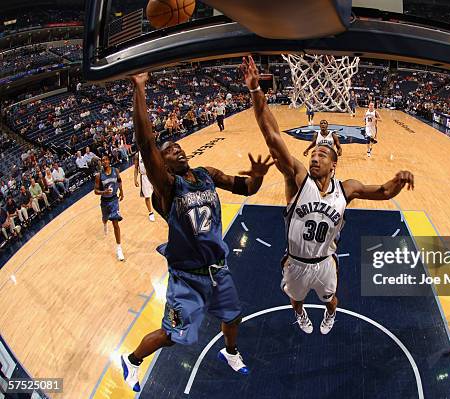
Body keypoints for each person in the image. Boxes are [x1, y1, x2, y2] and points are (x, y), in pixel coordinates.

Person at [121, 72, 274, 392]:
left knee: (233, 316)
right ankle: (132, 360)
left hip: (217, 266)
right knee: (173, 337)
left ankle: (230, 352)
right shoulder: (166, 187)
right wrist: (139, 88)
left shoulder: (206, 174)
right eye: (168, 151)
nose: (175, 149)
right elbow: (145, 142)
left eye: (177, 147)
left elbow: (245, 187)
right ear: (160, 164)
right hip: (187, 276)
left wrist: (257, 177)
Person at [241, 55, 414, 335]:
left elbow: (383, 192)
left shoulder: (347, 189)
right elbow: (273, 136)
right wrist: (254, 90)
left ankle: (328, 316)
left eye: (322, 154)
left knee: (331, 300)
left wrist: (398, 179)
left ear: (333, 164)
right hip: (295, 261)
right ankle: (301, 315)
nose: (315, 158)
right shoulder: (298, 180)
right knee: (295, 300)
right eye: (314, 154)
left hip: (324, 263)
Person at [94, 155, 125, 261]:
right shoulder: (99, 176)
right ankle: (104, 223)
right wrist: (104, 192)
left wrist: (121, 191)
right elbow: (95, 191)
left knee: (116, 223)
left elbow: (119, 181)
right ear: (101, 163)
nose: (105, 161)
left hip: (114, 200)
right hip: (104, 201)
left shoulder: (115, 171)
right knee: (105, 218)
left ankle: (119, 248)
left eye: (107, 159)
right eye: (103, 160)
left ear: (109, 160)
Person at [133, 151, 156, 222]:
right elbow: (136, 168)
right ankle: (150, 213)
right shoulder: (137, 155)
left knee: (158, 193)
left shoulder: (149, 152)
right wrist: (135, 179)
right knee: (147, 196)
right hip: (144, 177)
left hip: (152, 175)